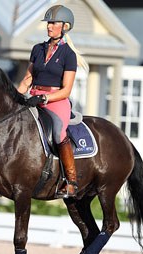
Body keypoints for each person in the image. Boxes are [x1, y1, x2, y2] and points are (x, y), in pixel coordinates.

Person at [18, 5, 89, 198]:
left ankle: (71, 181)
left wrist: (46, 97)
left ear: (65, 26)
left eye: (53, 23)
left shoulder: (68, 55)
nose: (49, 26)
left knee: (58, 131)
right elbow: (27, 78)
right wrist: (15, 96)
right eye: (48, 23)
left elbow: (66, 90)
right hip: (33, 97)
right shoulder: (37, 49)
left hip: (55, 100)